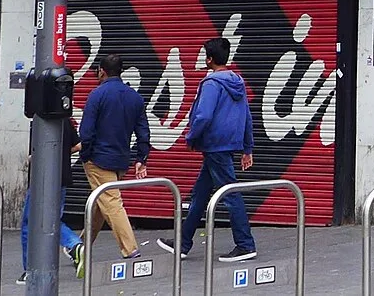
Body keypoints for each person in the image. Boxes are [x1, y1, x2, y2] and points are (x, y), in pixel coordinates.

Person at [156, 38, 256, 263]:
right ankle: (183, 243)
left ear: (209, 59)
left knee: (230, 194)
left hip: (215, 146)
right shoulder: (237, 82)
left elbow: (203, 116)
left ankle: (245, 244)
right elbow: (247, 117)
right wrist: (247, 148)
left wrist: (191, 136)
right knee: (200, 194)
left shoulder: (212, 84)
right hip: (227, 145)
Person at [78, 53, 151, 262]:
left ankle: (130, 249)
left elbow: (87, 131)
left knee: (111, 203)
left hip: (99, 159)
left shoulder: (97, 95)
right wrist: (141, 158)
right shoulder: (134, 97)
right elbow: (143, 131)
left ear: (101, 70)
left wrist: (85, 154)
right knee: (103, 201)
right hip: (120, 160)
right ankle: (80, 246)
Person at [17, 110, 84, 284]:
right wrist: (61, 154)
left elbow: (35, 154)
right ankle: (74, 245)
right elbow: (78, 145)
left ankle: (30, 269)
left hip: (43, 180)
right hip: (62, 178)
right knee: (53, 219)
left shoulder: (40, 120)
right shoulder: (65, 120)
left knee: (30, 223)